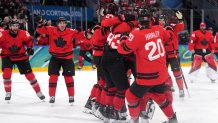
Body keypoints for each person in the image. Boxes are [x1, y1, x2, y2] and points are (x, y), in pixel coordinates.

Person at [117, 9, 178, 123]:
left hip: (147, 77)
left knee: (130, 96)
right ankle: (172, 119)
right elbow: (170, 37)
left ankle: (134, 120)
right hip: (161, 75)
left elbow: (122, 49)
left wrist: (123, 38)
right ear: (150, 20)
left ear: (138, 21)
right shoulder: (159, 29)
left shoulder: (137, 34)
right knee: (159, 96)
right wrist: (169, 27)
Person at [36, 17, 83, 104]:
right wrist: (40, 24)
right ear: (57, 24)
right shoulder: (51, 30)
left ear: (66, 24)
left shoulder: (71, 31)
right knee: (53, 77)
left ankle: (71, 95)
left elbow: (81, 35)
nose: (62, 25)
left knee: (68, 77)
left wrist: (90, 31)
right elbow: (39, 30)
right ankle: (52, 96)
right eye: (60, 23)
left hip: (67, 58)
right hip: (55, 58)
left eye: (64, 23)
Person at [0, 19, 45, 102]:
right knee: (6, 74)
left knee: (30, 76)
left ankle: (38, 91)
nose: (15, 28)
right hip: (7, 56)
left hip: (21, 56)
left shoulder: (24, 33)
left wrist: (29, 48)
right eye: (13, 26)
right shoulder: (3, 34)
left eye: (16, 26)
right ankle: (8, 92)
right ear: (9, 26)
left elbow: (29, 41)